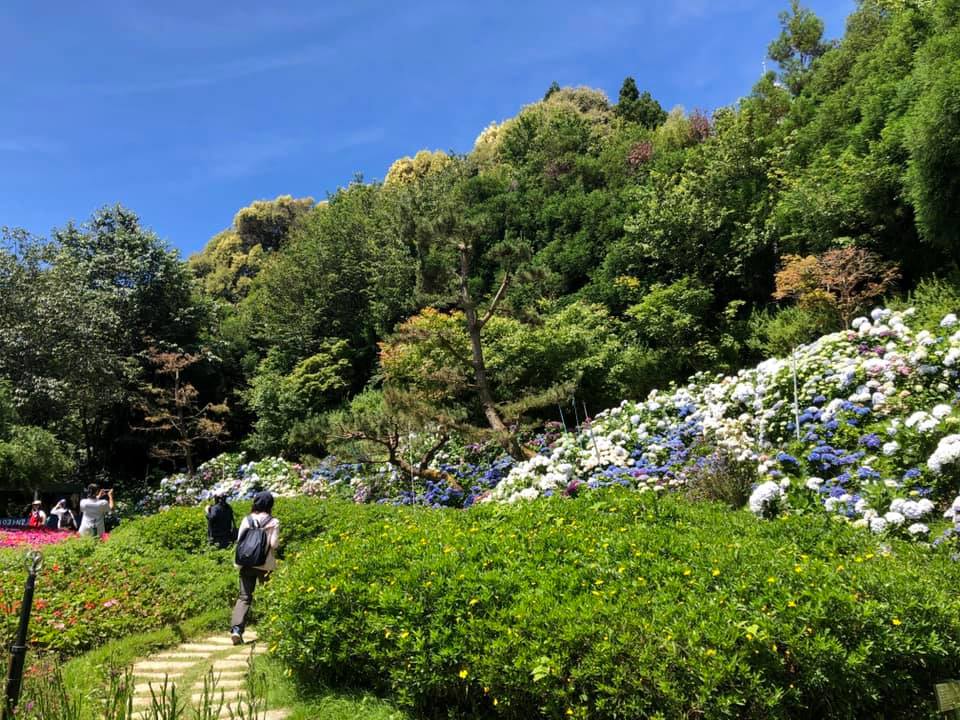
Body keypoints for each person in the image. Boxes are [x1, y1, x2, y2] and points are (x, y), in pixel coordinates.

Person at [230, 491, 279, 645]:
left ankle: (236, 629)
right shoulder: (274, 522)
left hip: (246, 563)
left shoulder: (247, 519)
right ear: (270, 505)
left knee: (244, 596)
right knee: (270, 595)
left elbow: (239, 540)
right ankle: (272, 628)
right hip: (265, 565)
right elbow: (274, 544)